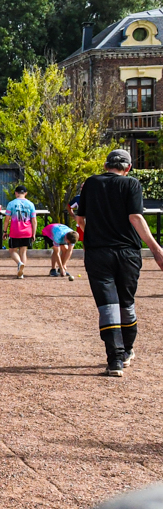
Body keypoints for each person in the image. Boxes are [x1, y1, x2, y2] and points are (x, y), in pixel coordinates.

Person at [74, 148, 163, 375]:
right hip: (128, 254)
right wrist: (156, 249)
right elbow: (136, 217)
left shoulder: (91, 184)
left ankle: (114, 360)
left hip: (98, 253)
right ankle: (127, 351)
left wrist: (92, 234)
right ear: (128, 168)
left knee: (107, 305)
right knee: (126, 302)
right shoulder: (131, 184)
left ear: (105, 166)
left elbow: (80, 218)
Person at [2, 186, 38, 278]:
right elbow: (34, 220)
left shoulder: (11, 204)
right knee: (23, 252)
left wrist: (5, 231)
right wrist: (34, 233)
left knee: (12, 251)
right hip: (27, 231)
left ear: (16, 193)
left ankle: (19, 263)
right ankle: (21, 273)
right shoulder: (30, 204)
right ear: (25, 193)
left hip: (15, 231)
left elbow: (7, 219)